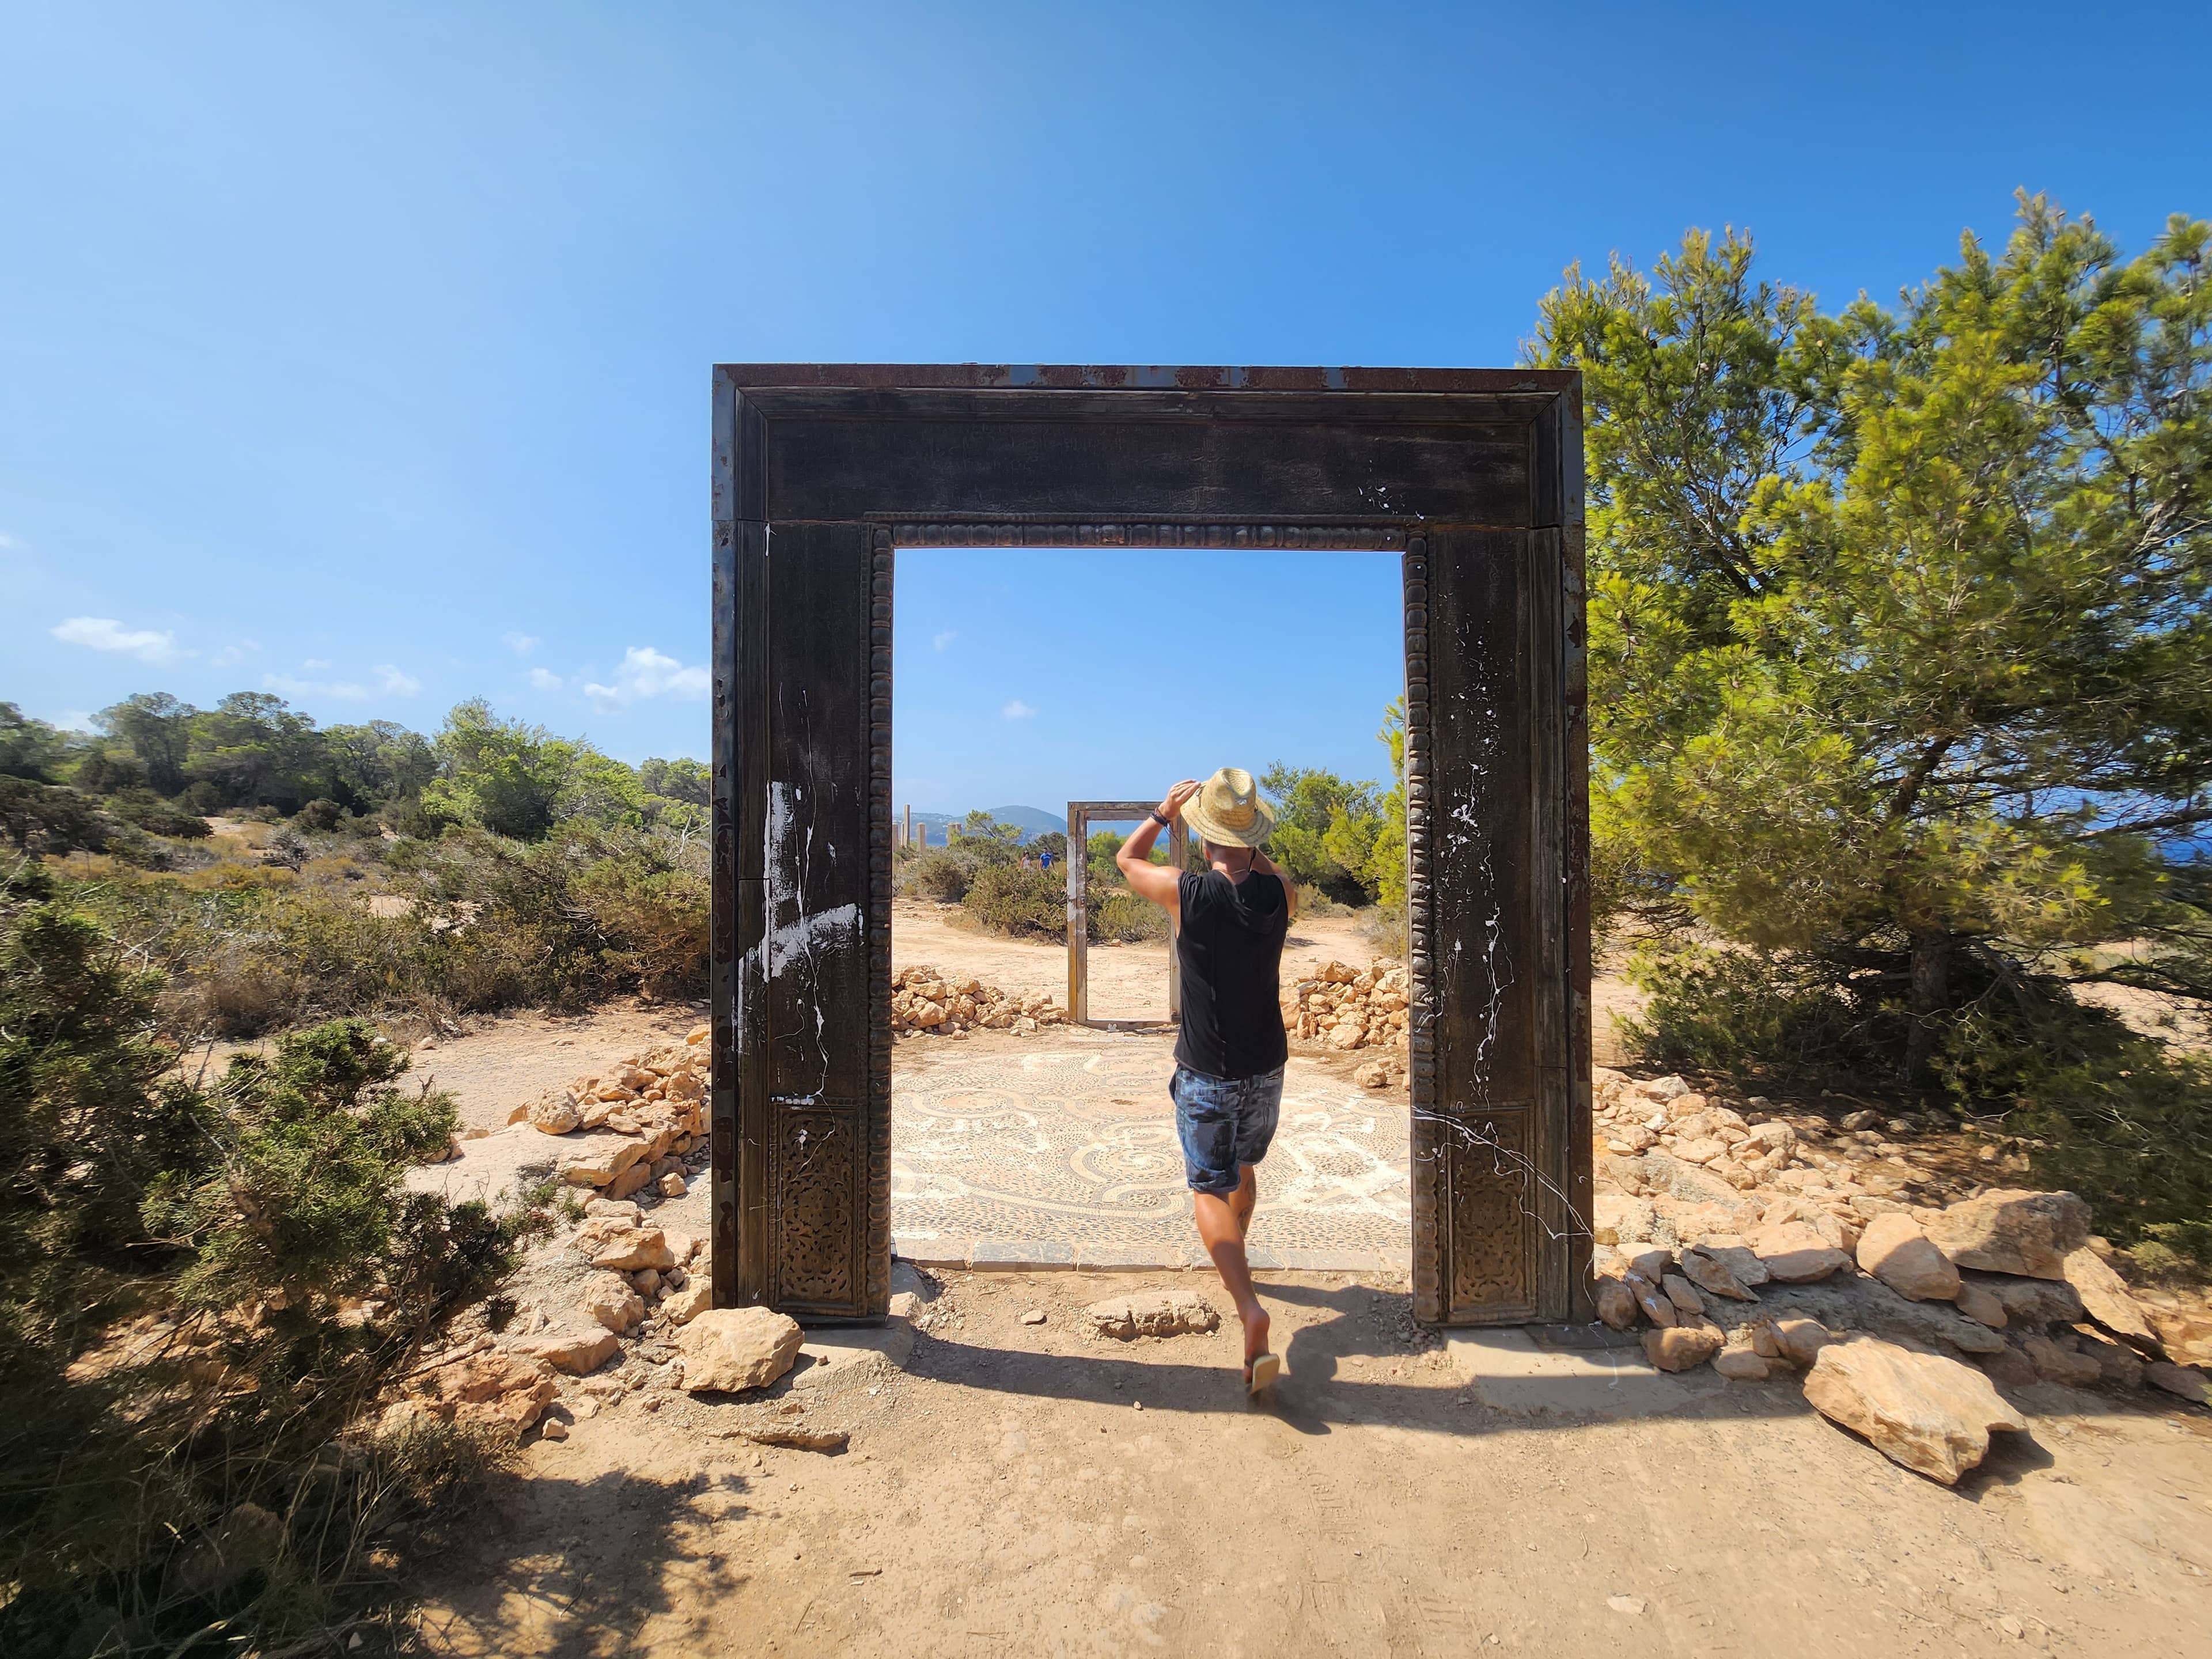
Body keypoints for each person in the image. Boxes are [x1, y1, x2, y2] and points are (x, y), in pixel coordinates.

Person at [1115, 768, 1296, 1393]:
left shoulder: (1183, 893)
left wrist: (1166, 811)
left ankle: (1247, 1305)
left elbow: (1125, 857)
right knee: (1246, 1167)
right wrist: (1248, 835)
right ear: (1251, 836)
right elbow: (1268, 872)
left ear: (1205, 833)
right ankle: (1238, 1257)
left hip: (1207, 1071)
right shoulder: (1281, 897)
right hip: (1267, 1065)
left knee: (1209, 1186)